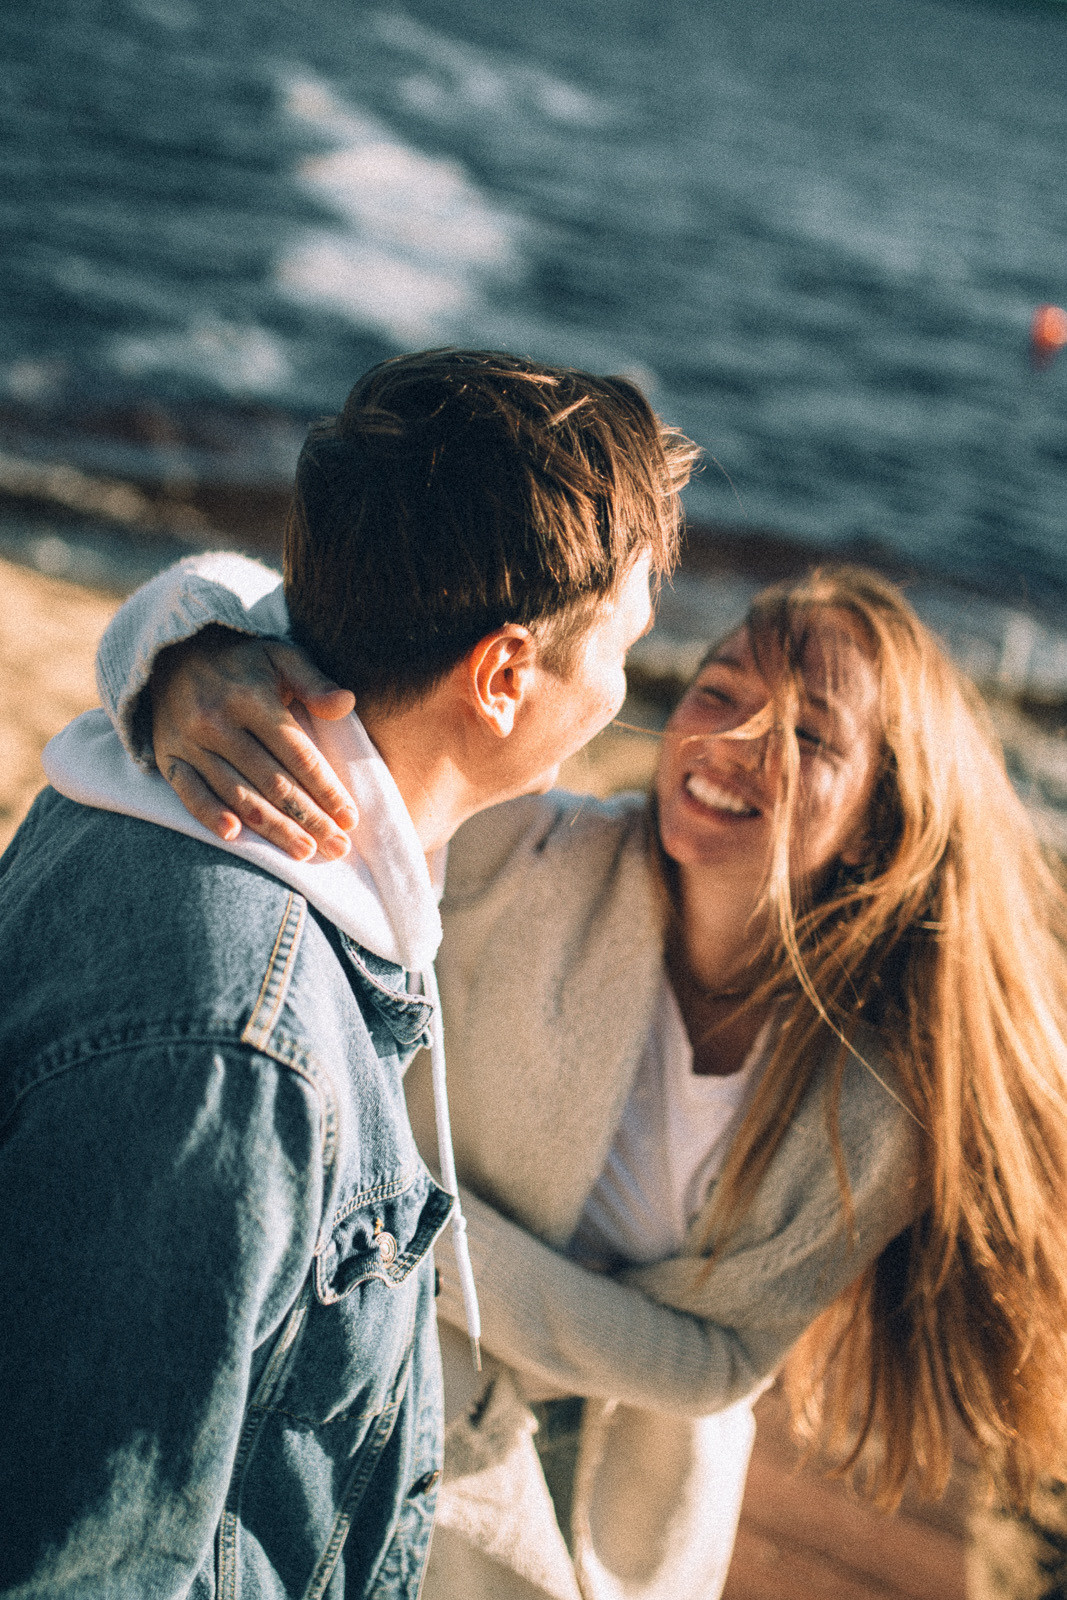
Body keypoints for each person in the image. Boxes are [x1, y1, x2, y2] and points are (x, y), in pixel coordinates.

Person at [74, 553, 1067, 1600]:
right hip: (366, 1397)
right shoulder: (528, 852)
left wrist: (382, 1224)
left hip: (628, 1510)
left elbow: (717, 1363)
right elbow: (272, 608)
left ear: (884, 812)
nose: (731, 742)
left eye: (805, 733)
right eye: (718, 690)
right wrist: (195, 654)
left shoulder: (882, 1103)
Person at [0, 348, 698, 1599]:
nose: (626, 687)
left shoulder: (160, 769)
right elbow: (91, 1560)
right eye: (622, 646)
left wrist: (175, 633)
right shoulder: (241, 1047)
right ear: (501, 674)